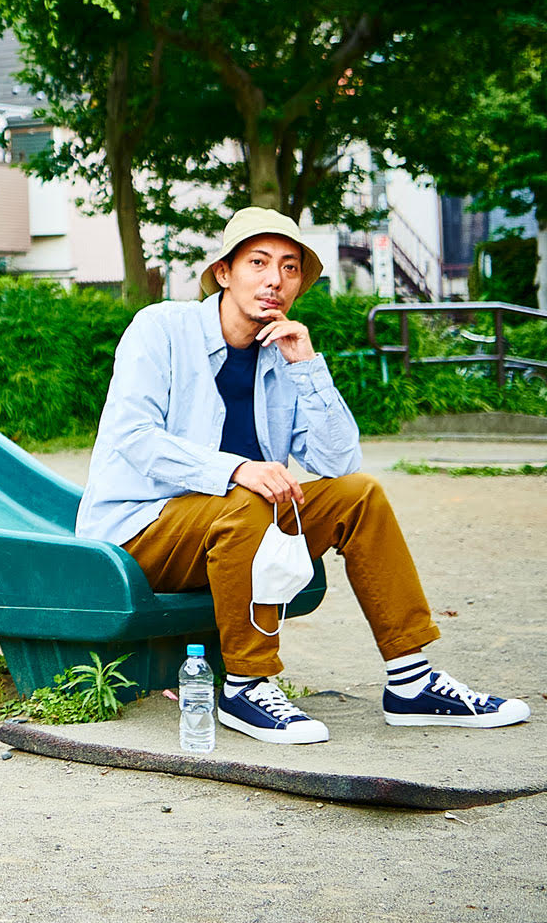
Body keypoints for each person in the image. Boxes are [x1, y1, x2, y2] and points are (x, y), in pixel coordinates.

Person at [77, 207, 531, 744]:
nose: (275, 279)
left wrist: (307, 366)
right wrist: (238, 469)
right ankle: (246, 684)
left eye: (290, 267)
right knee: (247, 499)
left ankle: (411, 680)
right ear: (224, 272)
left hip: (238, 531)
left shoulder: (283, 354)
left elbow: (338, 463)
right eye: (258, 262)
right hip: (140, 535)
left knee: (359, 495)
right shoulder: (161, 329)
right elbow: (134, 437)